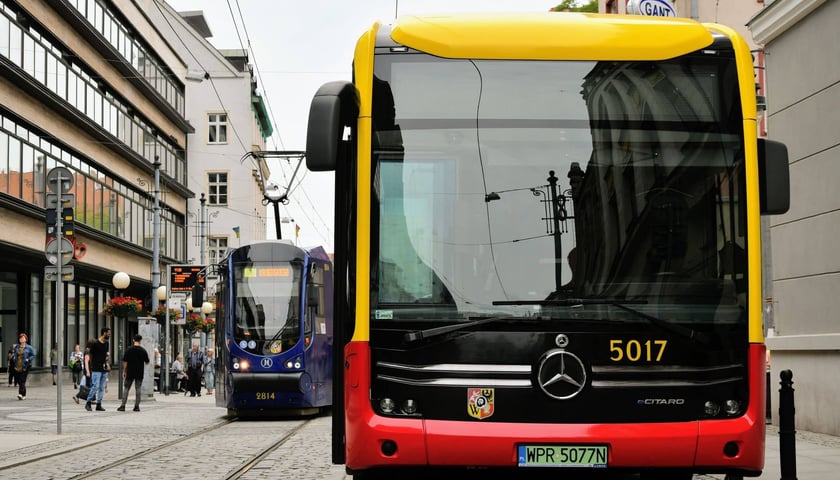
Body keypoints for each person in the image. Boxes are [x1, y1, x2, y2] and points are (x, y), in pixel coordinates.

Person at [117, 334, 150, 412]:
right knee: (138, 388)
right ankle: (136, 406)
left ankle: (123, 405)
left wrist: (124, 371)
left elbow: (125, 361)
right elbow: (147, 362)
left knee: (126, 388)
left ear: (133, 340)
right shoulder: (143, 350)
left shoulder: (129, 349)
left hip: (130, 372)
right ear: (140, 341)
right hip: (139, 372)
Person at [85, 327, 111, 411]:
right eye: (108, 333)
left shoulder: (106, 343)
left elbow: (106, 354)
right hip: (96, 368)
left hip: (104, 368)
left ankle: (99, 404)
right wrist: (93, 365)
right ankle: (88, 402)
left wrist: (107, 357)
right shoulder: (95, 343)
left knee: (102, 387)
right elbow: (91, 355)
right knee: (95, 386)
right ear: (104, 333)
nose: (109, 335)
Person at [11, 333, 35, 400]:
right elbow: (14, 353)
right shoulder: (17, 347)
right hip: (17, 365)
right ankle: (23, 395)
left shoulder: (29, 347)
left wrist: (28, 359)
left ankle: (20, 394)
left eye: (23, 338)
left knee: (22, 380)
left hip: (25, 365)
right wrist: (13, 357)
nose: (21, 339)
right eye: (20, 338)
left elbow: (33, 355)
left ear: (26, 339)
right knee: (19, 381)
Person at [73, 338, 96, 404]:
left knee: (90, 386)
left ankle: (91, 399)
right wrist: (88, 371)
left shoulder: (89, 350)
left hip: (90, 371)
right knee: (89, 386)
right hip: (88, 371)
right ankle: (80, 397)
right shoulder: (88, 351)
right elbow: (86, 362)